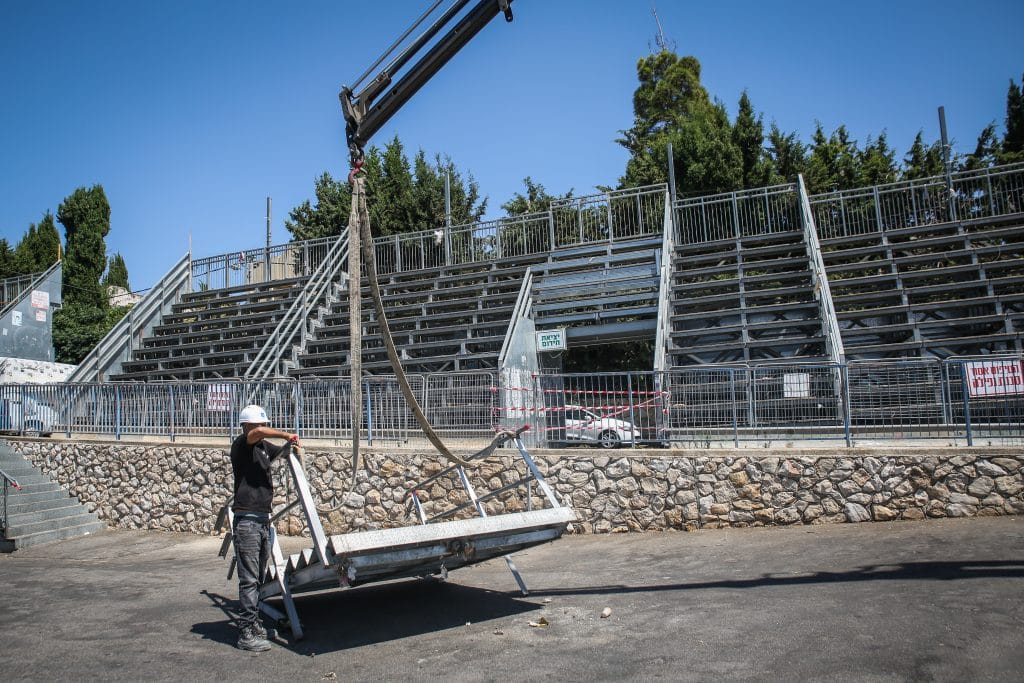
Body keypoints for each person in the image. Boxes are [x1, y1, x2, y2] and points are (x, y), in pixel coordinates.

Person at [229, 404, 300, 652]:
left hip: (262, 520)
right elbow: (258, 434)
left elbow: (281, 453)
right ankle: (246, 633)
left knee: (258, 578)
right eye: (257, 425)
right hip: (247, 521)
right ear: (247, 426)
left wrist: (292, 447)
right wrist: (284, 434)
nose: (260, 429)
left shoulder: (262, 448)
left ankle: (254, 622)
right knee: (248, 580)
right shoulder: (242, 444)